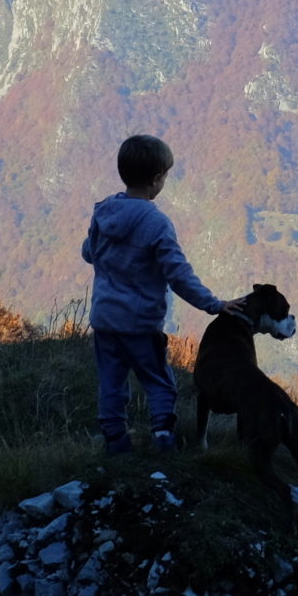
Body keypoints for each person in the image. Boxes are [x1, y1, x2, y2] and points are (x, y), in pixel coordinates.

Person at [83, 134, 238, 454]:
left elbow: (89, 252)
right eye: (166, 176)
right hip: (140, 323)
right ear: (156, 180)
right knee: (157, 378)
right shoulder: (156, 222)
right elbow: (178, 274)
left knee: (111, 382)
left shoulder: (103, 212)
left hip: (104, 318)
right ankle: (164, 438)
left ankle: (115, 441)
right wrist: (214, 305)